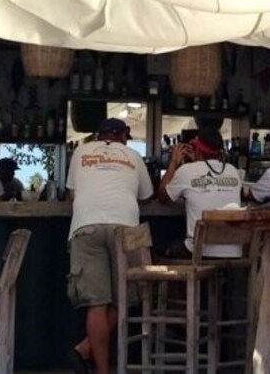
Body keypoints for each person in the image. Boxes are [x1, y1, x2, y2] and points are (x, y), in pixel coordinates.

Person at [66, 118, 153, 374]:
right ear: (123, 136)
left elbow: (72, 193)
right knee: (126, 297)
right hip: (125, 225)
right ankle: (84, 349)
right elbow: (147, 196)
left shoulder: (80, 152)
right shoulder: (133, 155)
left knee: (97, 303)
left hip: (86, 225)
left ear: (98, 134)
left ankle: (93, 359)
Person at [159, 127, 243, 259]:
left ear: (197, 149)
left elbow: (163, 197)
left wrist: (173, 163)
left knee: (159, 245)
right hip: (233, 250)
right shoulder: (234, 171)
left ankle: (179, 280)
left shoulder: (187, 170)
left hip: (198, 251)